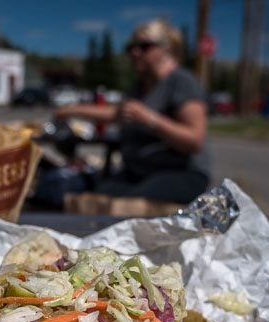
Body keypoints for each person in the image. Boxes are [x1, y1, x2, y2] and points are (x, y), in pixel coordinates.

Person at [55, 18, 210, 205]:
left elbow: (194, 140)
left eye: (144, 46)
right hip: (137, 172)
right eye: (131, 47)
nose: (135, 53)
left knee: (125, 205)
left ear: (166, 48)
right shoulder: (139, 88)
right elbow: (115, 113)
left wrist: (150, 119)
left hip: (180, 172)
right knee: (95, 199)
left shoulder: (181, 82)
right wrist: (71, 110)